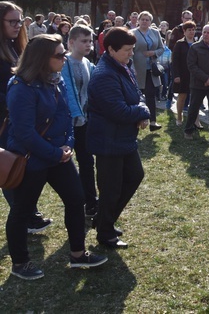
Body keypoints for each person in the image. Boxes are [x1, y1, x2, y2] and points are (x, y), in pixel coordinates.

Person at [6, 34, 107, 279]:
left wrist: (68, 144)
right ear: (42, 58)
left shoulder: (56, 79)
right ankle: (20, 263)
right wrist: (55, 152)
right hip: (32, 159)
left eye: (64, 53)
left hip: (58, 156)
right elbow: (24, 132)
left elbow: (66, 116)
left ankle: (77, 254)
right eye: (59, 55)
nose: (64, 58)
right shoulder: (21, 87)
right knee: (22, 210)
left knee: (76, 199)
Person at [87, 27, 150, 249]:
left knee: (134, 176)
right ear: (111, 49)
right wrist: (142, 112)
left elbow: (137, 94)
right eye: (127, 50)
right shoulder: (105, 74)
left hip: (122, 137)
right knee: (111, 188)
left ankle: (105, 219)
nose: (131, 54)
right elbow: (119, 111)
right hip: (109, 140)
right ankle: (105, 233)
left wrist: (141, 107)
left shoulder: (123, 66)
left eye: (132, 49)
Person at [0, 2, 51, 234]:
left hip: (15, 119)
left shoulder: (16, 47)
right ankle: (24, 216)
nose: (18, 25)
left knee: (21, 164)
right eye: (13, 21)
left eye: (20, 21)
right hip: (3, 119)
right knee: (8, 167)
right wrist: (13, 101)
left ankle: (28, 212)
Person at [61, 25, 98, 220]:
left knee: (86, 162)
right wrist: (77, 116)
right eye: (84, 41)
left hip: (84, 122)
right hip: (67, 122)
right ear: (72, 42)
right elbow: (67, 92)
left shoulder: (88, 63)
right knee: (61, 164)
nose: (88, 45)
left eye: (90, 41)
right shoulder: (63, 62)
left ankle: (90, 202)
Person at [184, 23, 209, 142]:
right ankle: (188, 130)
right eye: (204, 32)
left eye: (208, 33)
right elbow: (192, 66)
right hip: (198, 84)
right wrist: (205, 78)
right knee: (193, 108)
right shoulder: (195, 47)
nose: (205, 35)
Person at [131, 11, 164, 131]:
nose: (145, 21)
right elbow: (129, 52)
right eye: (142, 19)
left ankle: (153, 121)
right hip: (137, 69)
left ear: (151, 22)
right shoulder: (132, 33)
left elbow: (162, 48)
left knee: (151, 95)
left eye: (147, 20)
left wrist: (154, 53)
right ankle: (136, 120)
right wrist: (132, 68)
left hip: (151, 70)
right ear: (138, 21)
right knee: (136, 96)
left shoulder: (155, 32)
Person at [171, 21, 196, 126]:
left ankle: (195, 119)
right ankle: (179, 118)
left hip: (195, 75)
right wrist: (176, 75)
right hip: (183, 74)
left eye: (193, 30)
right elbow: (175, 61)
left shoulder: (197, 43)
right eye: (189, 30)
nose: (192, 32)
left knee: (195, 99)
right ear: (184, 31)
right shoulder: (180, 44)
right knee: (182, 97)